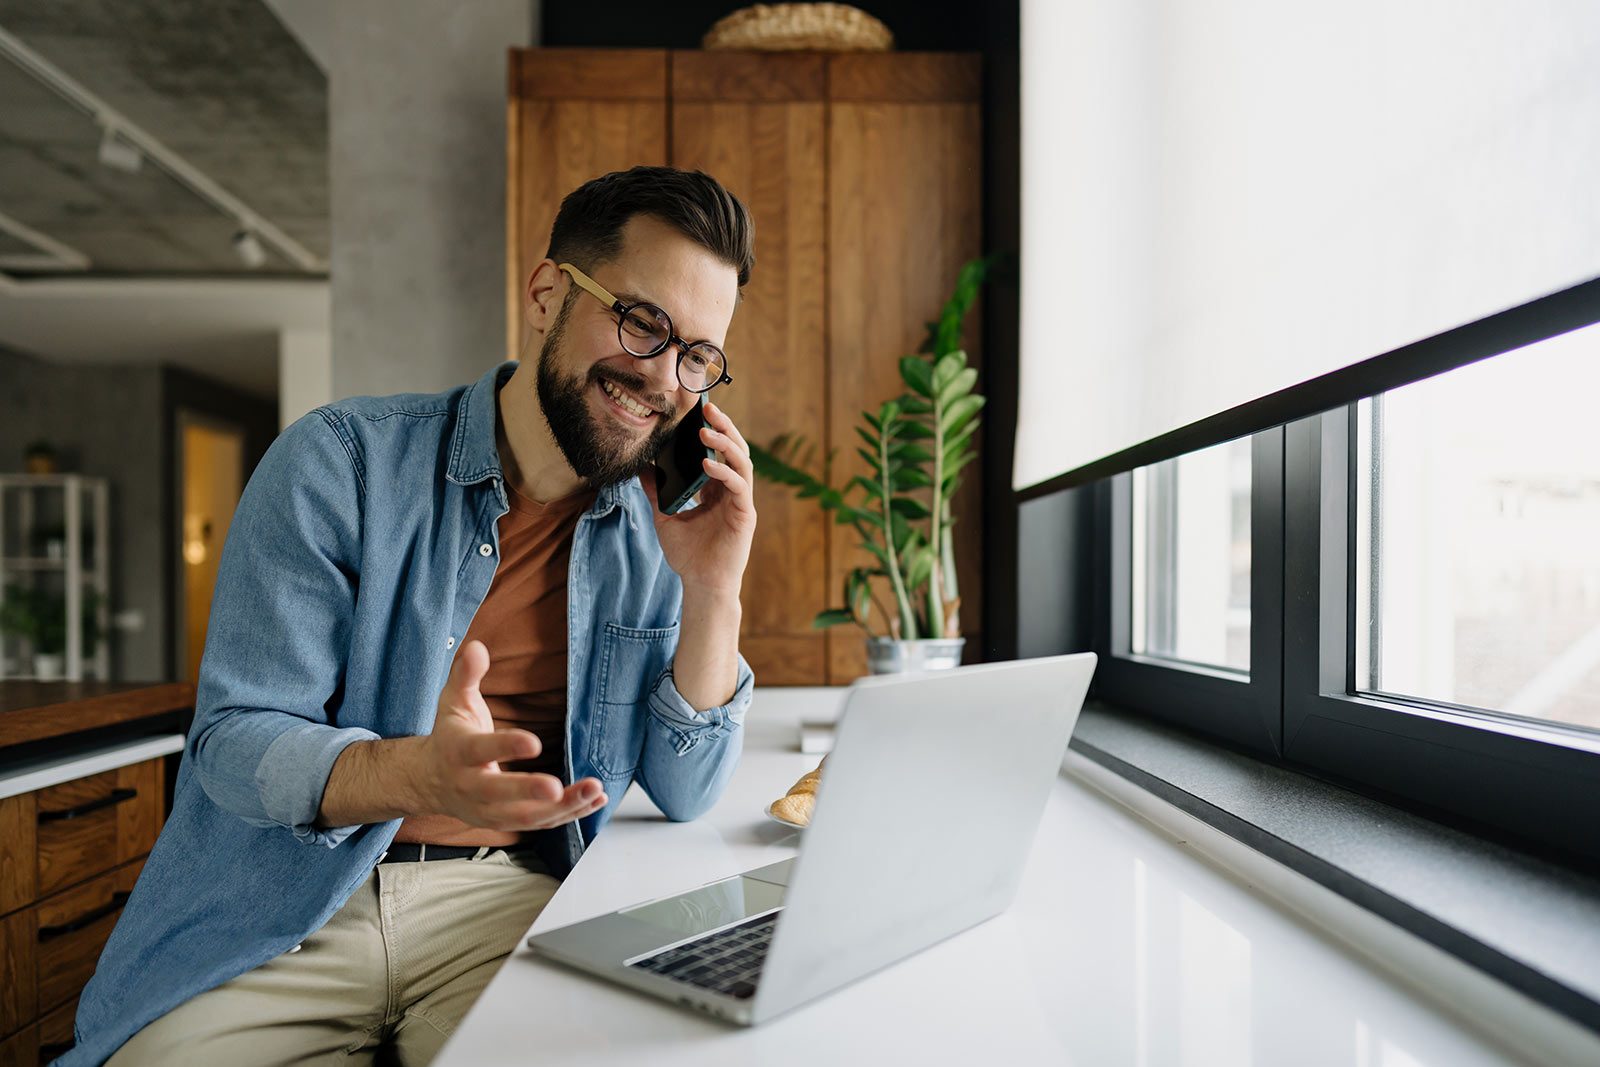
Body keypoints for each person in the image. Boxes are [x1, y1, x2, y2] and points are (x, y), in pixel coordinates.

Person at [65, 166, 759, 1067]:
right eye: (643, 322)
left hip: (505, 900)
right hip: (282, 903)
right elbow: (233, 741)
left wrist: (714, 589)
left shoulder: (661, 525)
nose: (664, 379)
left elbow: (687, 789)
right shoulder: (339, 463)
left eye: (698, 355)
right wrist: (416, 778)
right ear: (548, 293)